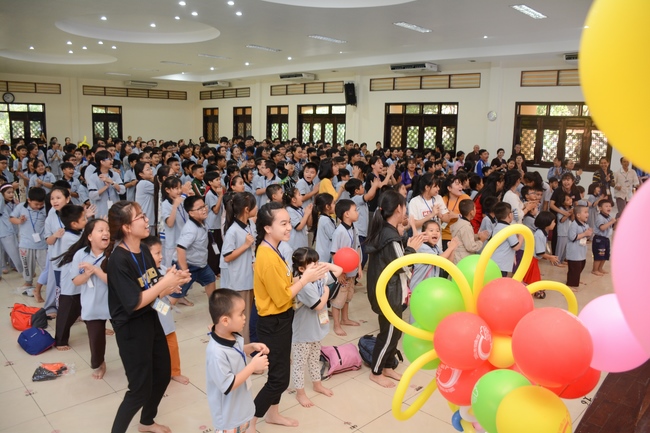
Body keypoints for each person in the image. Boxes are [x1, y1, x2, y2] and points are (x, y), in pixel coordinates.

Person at [106, 201, 190, 433]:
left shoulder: (143, 250)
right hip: (131, 329)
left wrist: (172, 282)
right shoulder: (118, 260)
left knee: (162, 374)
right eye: (140, 217)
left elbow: (151, 287)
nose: (146, 220)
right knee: (139, 389)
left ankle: (146, 422)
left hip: (151, 319)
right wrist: (164, 284)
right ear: (126, 227)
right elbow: (134, 302)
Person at [249, 202, 327, 430]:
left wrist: (304, 277)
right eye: (283, 223)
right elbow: (282, 296)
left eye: (289, 222)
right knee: (278, 379)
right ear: (267, 228)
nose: (289, 227)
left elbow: (283, 284)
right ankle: (249, 422)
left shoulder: (273, 250)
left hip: (281, 320)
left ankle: (273, 414)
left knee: (279, 373)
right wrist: (305, 280)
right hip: (273, 323)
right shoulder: (267, 257)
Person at [366, 189, 424, 388]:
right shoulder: (389, 236)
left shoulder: (386, 231)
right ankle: (376, 371)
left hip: (390, 291)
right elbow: (402, 265)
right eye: (404, 207)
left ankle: (388, 366)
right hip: (389, 293)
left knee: (396, 331)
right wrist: (412, 249)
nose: (405, 211)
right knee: (389, 333)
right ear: (398, 209)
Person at [206, 289, 270, 433]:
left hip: (241, 407)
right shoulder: (216, 353)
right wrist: (252, 366)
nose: (245, 317)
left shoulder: (231, 335)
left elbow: (237, 350)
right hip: (229, 418)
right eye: (240, 314)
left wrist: (251, 347)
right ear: (225, 320)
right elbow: (228, 384)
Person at [57, 217, 110, 377]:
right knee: (96, 339)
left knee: (126, 337)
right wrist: (86, 275)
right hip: (92, 304)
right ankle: (100, 364)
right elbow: (76, 281)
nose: (106, 233)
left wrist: (96, 270)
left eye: (108, 230)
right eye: (101, 230)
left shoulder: (114, 253)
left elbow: (114, 281)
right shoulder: (81, 255)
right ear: (90, 236)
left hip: (114, 304)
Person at [290, 247, 342, 408]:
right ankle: (300, 393)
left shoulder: (318, 277)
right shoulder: (303, 284)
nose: (317, 266)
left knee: (314, 359)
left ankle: (317, 384)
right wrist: (326, 291)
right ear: (301, 269)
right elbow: (318, 306)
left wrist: (320, 265)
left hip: (316, 329)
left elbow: (339, 270)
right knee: (299, 364)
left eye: (317, 262)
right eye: (313, 264)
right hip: (303, 332)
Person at [143, 235, 189, 385]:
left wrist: (180, 280)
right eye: (157, 253)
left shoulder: (163, 269)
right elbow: (149, 298)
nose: (161, 256)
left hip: (164, 315)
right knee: (152, 350)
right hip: (150, 317)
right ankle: (155, 374)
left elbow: (172, 285)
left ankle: (175, 372)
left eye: (161, 252)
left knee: (172, 345)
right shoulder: (143, 275)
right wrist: (166, 288)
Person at [221, 192, 257, 343]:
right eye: (254, 206)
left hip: (251, 276)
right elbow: (227, 256)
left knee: (251, 315)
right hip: (240, 280)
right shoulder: (233, 230)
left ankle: (249, 343)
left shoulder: (251, 224)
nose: (256, 208)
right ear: (247, 209)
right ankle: (244, 346)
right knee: (242, 317)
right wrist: (245, 245)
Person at [52, 204, 87, 350]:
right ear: (74, 224)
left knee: (87, 304)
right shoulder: (68, 237)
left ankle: (97, 328)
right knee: (66, 311)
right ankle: (60, 340)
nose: (86, 221)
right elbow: (85, 245)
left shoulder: (78, 232)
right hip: (71, 279)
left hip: (82, 276)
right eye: (84, 219)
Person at [173, 195, 216, 306]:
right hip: (188, 266)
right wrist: (184, 271)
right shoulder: (190, 229)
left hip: (201, 264)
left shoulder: (202, 221)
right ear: (191, 213)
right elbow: (180, 248)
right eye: (200, 208)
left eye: (204, 206)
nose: (204, 209)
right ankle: (158, 312)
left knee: (210, 280)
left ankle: (214, 306)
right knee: (173, 296)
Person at [330, 199, 361, 336]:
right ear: (346, 214)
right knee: (338, 299)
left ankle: (345, 319)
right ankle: (336, 325)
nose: (357, 212)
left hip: (352, 271)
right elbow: (334, 253)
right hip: (342, 272)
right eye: (355, 210)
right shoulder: (339, 232)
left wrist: (359, 267)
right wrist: (339, 273)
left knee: (348, 296)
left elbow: (357, 248)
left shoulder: (355, 229)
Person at [9, 187, 47, 295]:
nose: (38, 206)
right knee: (27, 265)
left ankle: (47, 282)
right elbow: (11, 218)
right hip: (26, 243)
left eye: (41, 204)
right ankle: (28, 282)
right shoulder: (21, 207)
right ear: (29, 200)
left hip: (42, 244)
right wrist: (19, 221)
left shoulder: (45, 208)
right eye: (36, 204)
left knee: (45, 265)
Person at [410, 220, 457, 289]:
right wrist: (450, 248)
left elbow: (448, 263)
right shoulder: (422, 247)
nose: (435, 233)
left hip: (430, 287)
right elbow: (438, 260)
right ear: (424, 234)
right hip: (419, 287)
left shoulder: (436, 248)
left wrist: (452, 249)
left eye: (437, 231)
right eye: (431, 230)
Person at [528, 211, 559, 298]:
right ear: (547, 223)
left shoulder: (542, 233)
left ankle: (535, 289)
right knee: (533, 276)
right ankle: (534, 290)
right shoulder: (539, 234)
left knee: (535, 276)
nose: (555, 223)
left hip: (535, 259)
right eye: (553, 222)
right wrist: (550, 257)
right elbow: (540, 252)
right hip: (532, 259)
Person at [450, 199, 489, 264]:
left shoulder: (460, 222)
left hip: (457, 257)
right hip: (462, 259)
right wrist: (481, 240)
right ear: (471, 212)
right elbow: (471, 247)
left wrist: (477, 236)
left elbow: (464, 238)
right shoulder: (465, 226)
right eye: (475, 208)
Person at [161, 176, 188, 268]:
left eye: (180, 187)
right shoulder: (165, 204)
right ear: (167, 190)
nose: (179, 191)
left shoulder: (182, 201)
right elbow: (170, 223)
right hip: (172, 243)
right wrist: (175, 206)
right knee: (172, 269)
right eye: (176, 188)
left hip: (183, 241)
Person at [491, 202, 523, 277]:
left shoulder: (497, 226)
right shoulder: (508, 229)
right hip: (501, 264)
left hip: (495, 261)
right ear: (509, 215)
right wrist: (521, 236)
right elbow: (516, 247)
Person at [566, 205, 593, 291]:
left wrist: (589, 234)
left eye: (587, 212)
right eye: (585, 212)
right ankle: (570, 284)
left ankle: (575, 279)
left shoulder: (585, 224)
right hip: (574, 252)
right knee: (574, 268)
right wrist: (585, 234)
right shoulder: (574, 225)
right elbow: (572, 237)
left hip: (581, 251)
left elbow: (586, 236)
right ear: (578, 215)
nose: (587, 214)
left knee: (581, 266)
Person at [0, 184, 23, 279]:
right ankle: (3, 267)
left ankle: (23, 270)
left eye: (12, 192)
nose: (11, 194)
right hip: (5, 231)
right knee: (3, 252)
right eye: (8, 192)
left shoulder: (13, 203)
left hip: (8, 231)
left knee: (14, 252)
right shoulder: (1, 202)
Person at [592, 199, 616, 276]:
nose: (609, 208)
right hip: (599, 239)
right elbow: (602, 228)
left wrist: (616, 222)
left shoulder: (608, 217)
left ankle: (600, 268)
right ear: (600, 208)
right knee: (599, 255)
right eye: (606, 206)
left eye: (610, 206)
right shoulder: (599, 217)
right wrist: (611, 222)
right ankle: (595, 270)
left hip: (606, 239)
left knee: (605, 254)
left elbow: (612, 227)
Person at [284, 187, 312, 251]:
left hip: (303, 241)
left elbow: (309, 224)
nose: (301, 196)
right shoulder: (289, 210)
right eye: (299, 195)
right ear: (294, 200)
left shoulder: (300, 208)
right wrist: (306, 214)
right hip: (295, 244)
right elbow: (299, 227)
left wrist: (309, 213)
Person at [311, 193, 336, 263]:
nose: (335, 205)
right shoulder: (325, 220)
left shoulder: (326, 219)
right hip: (325, 256)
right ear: (327, 206)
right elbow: (334, 236)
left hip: (325, 254)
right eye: (333, 203)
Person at [555, 193, 573, 266]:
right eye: (567, 200)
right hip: (562, 232)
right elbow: (562, 220)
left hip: (568, 231)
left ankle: (562, 260)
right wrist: (569, 213)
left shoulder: (570, 208)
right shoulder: (561, 209)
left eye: (570, 198)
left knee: (565, 248)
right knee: (560, 248)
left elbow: (572, 219)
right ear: (563, 202)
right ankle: (557, 261)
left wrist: (572, 213)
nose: (570, 200)